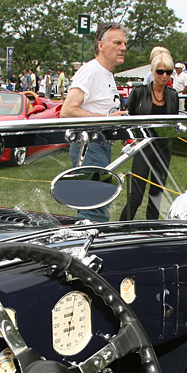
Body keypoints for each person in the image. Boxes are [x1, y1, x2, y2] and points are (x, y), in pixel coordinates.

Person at [61, 21, 129, 222]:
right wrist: (107, 119)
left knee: (99, 204)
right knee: (93, 208)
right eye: (117, 43)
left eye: (124, 43)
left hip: (101, 145)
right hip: (89, 145)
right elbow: (67, 110)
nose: (123, 48)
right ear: (101, 45)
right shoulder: (91, 71)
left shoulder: (106, 73)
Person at [119, 47, 179, 222]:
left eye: (168, 72)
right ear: (152, 72)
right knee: (136, 195)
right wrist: (127, 138)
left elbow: (173, 123)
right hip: (142, 148)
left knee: (156, 193)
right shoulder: (139, 93)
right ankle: (122, 227)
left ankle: (150, 229)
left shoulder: (173, 96)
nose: (164, 76)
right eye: (160, 72)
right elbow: (127, 117)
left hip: (163, 149)